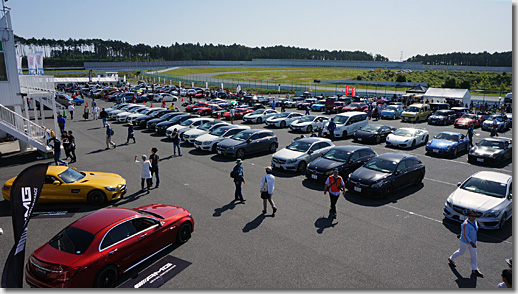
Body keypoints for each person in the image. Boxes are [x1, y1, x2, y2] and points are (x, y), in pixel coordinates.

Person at [448, 209, 484, 278]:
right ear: (468, 216)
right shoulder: (465, 224)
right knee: (461, 252)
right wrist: (471, 242)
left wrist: (473, 242)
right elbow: (465, 235)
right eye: (472, 216)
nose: (473, 217)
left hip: (473, 242)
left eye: (475, 216)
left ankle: (475, 269)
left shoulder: (475, 222)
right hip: (465, 242)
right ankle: (451, 258)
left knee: (474, 255)